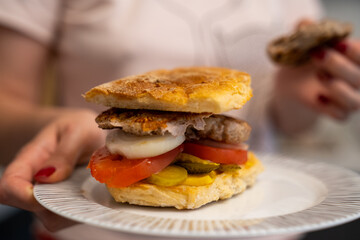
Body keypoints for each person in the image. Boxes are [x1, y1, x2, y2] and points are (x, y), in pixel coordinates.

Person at [0, 0, 359, 239]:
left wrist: (303, 95)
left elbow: (286, 121)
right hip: (92, 229)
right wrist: (62, 129)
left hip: (258, 226)